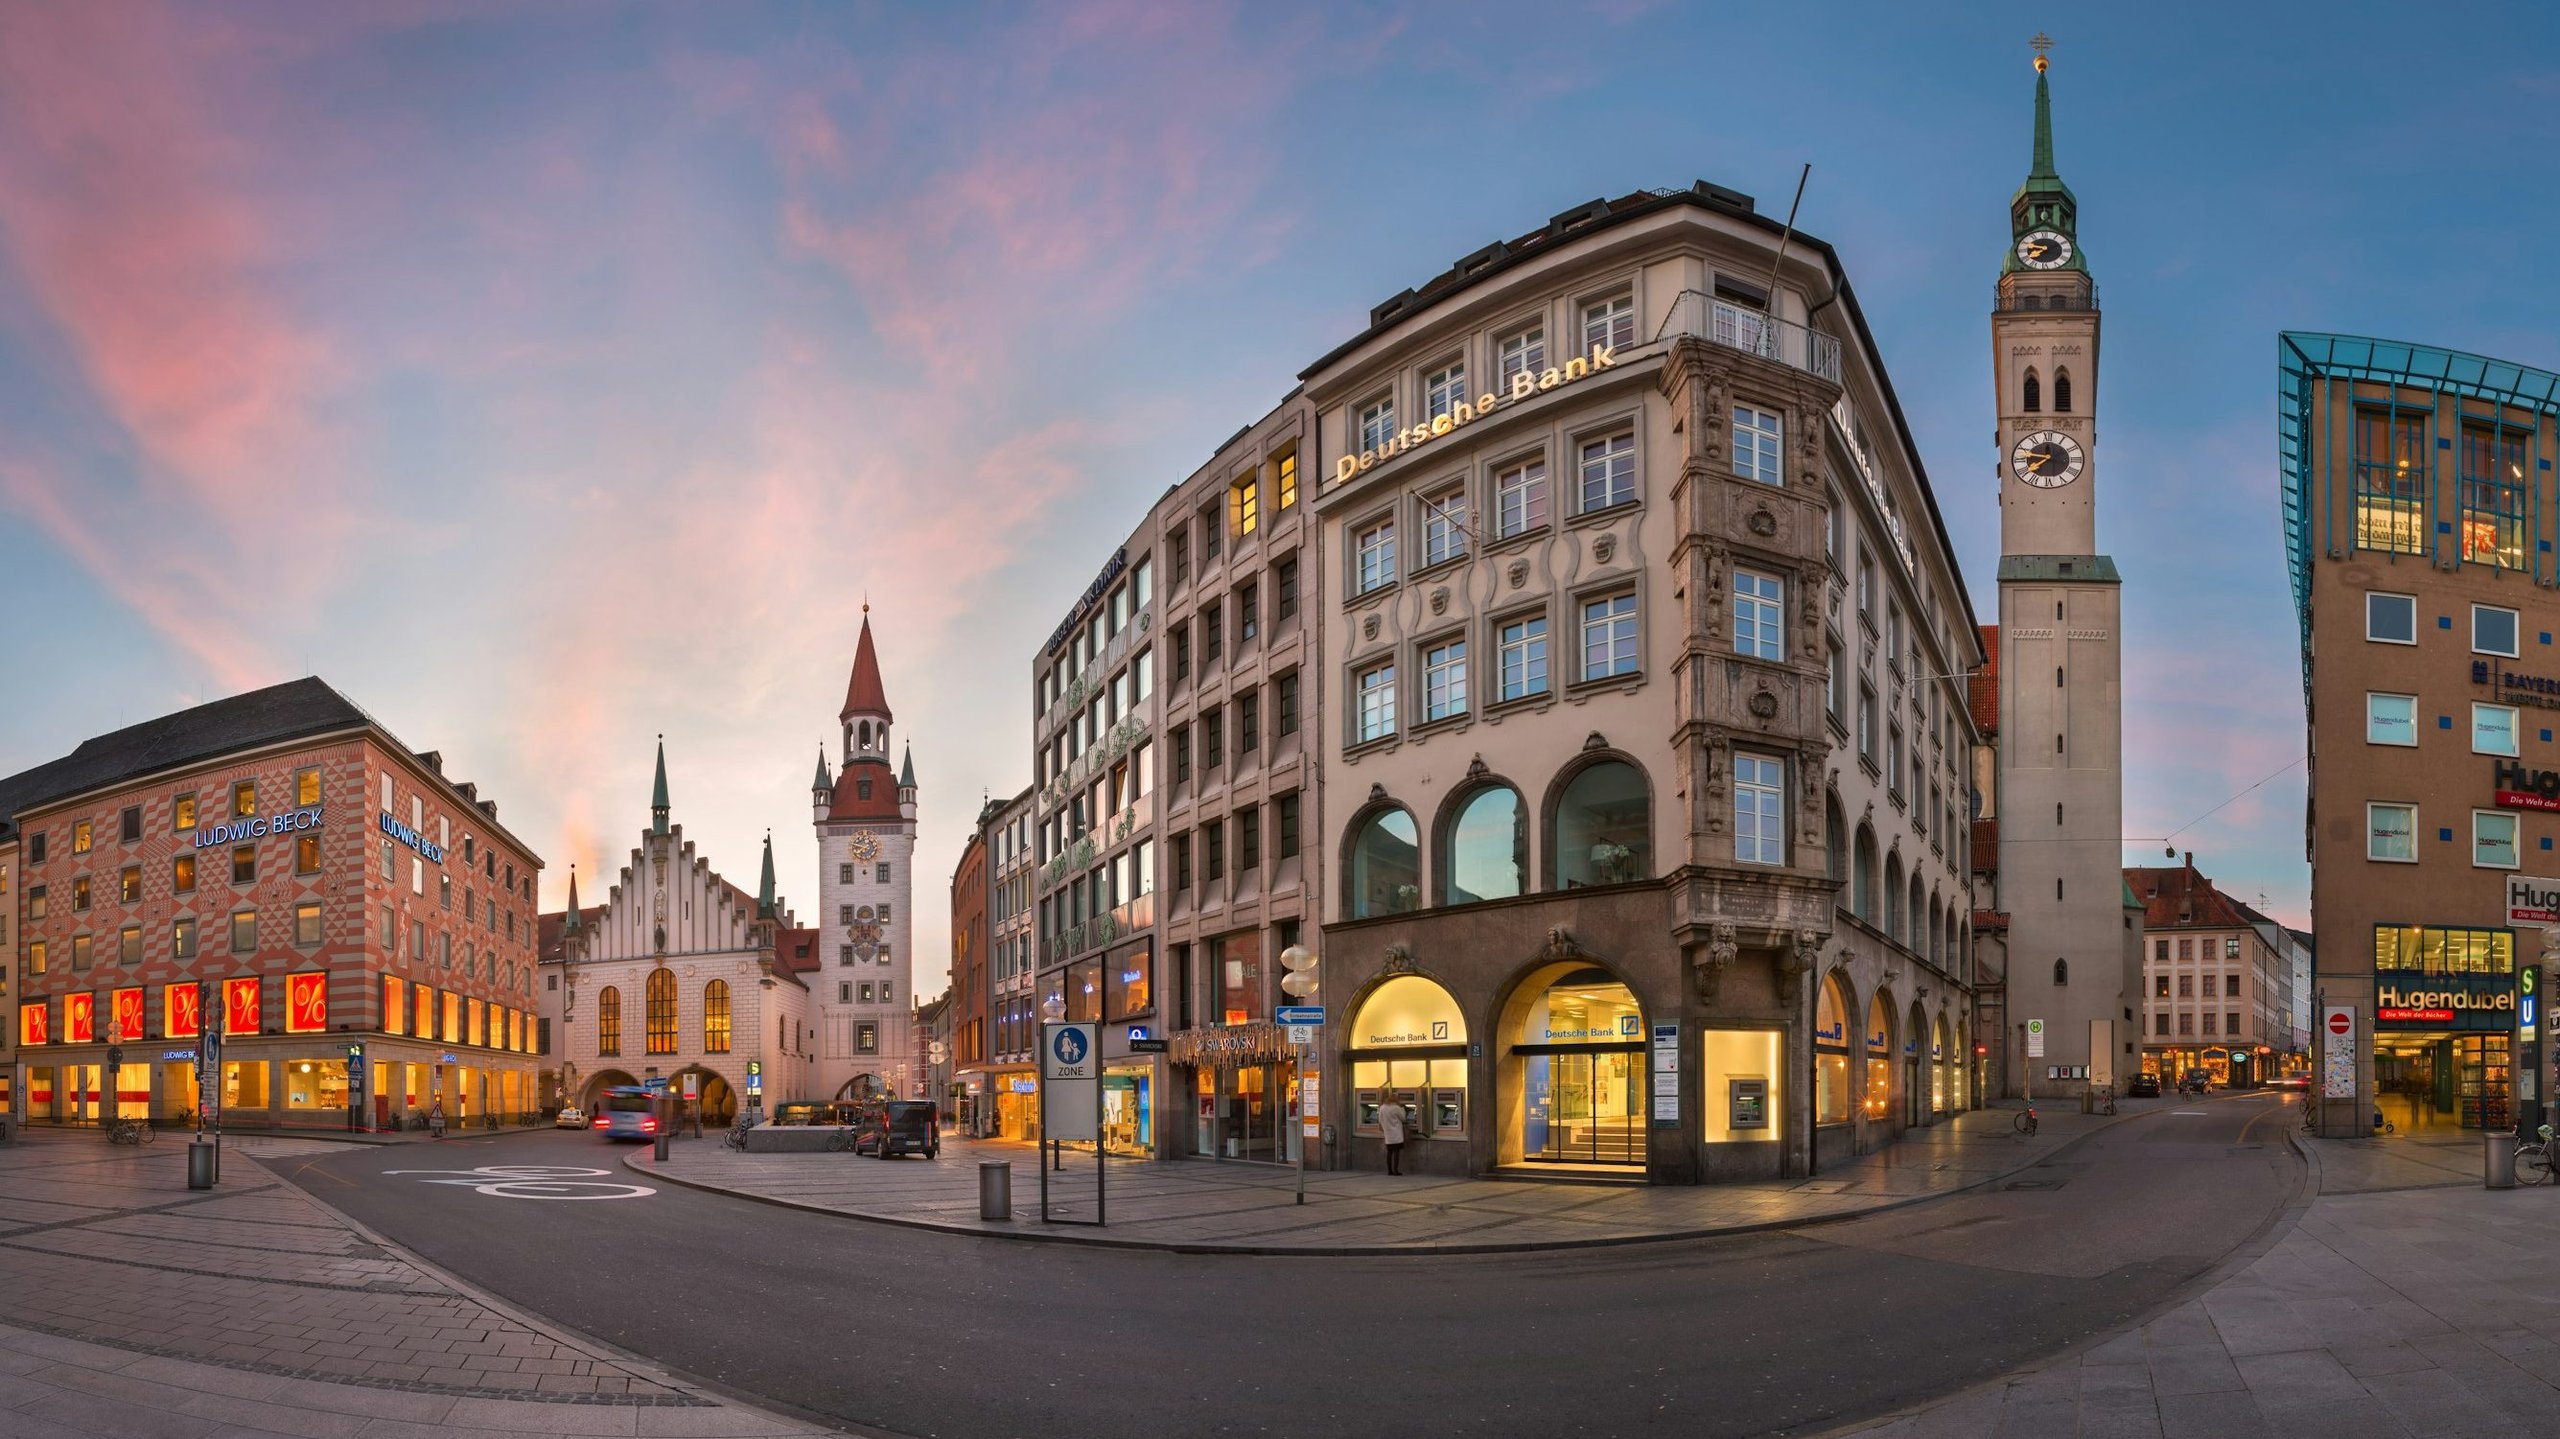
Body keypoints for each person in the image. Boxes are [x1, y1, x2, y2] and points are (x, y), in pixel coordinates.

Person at [1377, 1091, 1409, 1176]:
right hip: (1396, 1133)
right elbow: (1403, 1118)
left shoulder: (1382, 1107)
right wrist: (1402, 1108)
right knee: (1396, 1152)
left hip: (1388, 1133)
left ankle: (1389, 1170)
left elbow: (1380, 1120)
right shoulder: (1396, 1108)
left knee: (1389, 1152)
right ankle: (1396, 1170)